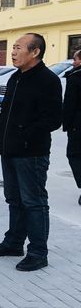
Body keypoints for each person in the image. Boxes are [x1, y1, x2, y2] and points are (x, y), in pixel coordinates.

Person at [0, 33, 62, 271]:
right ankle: (13, 243)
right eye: (13, 48)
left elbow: (53, 119)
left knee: (34, 202)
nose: (13, 52)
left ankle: (38, 253)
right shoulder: (16, 77)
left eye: (19, 48)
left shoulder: (47, 80)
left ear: (35, 52)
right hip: (9, 150)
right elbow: (5, 112)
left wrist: (24, 136)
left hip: (31, 153)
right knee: (14, 199)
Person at [62, 50, 81, 205]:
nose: (73, 62)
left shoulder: (75, 78)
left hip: (77, 125)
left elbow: (69, 103)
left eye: (75, 59)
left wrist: (66, 124)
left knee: (74, 155)